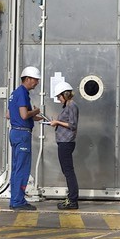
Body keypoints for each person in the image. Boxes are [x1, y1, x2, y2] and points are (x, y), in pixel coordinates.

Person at [7, 65, 41, 208]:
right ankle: (18, 201)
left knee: (16, 168)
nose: (37, 83)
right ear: (27, 79)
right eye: (35, 80)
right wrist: (35, 111)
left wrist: (35, 118)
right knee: (22, 169)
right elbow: (24, 115)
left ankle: (14, 199)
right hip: (22, 135)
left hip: (15, 132)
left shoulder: (14, 93)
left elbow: (9, 115)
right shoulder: (22, 93)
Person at [47, 78, 80, 211]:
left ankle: (72, 200)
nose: (58, 99)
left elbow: (72, 125)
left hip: (66, 142)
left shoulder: (72, 105)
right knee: (67, 171)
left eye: (59, 96)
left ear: (64, 95)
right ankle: (71, 198)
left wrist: (57, 123)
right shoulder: (67, 106)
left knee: (68, 171)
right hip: (63, 142)